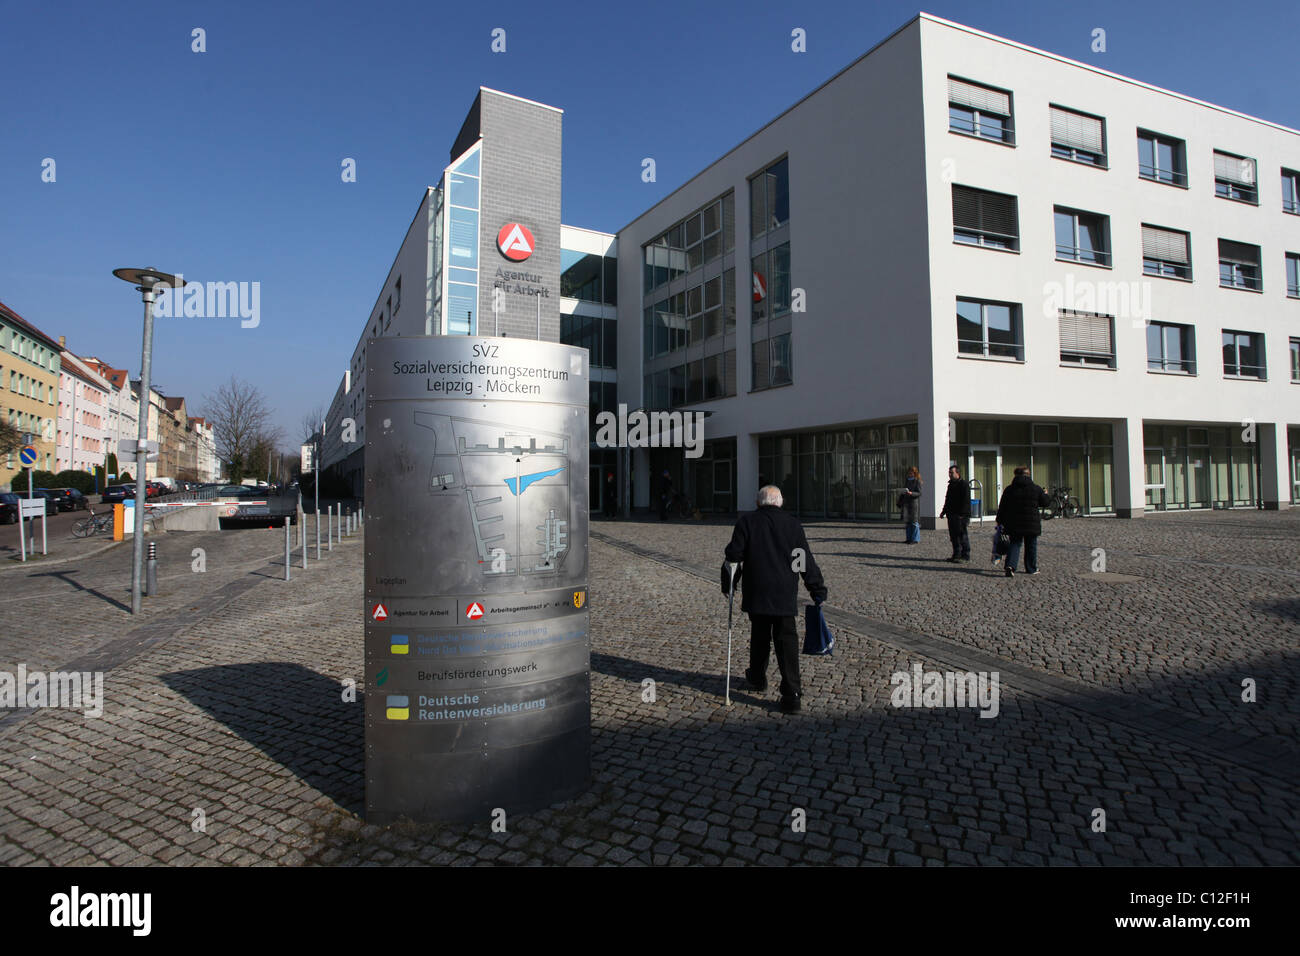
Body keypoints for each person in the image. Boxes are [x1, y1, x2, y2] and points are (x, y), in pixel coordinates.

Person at [724, 485, 828, 714]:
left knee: (759, 636)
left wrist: (729, 584)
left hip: (758, 591)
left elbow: (733, 556)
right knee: (786, 642)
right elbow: (802, 560)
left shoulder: (747, 522)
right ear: (780, 502)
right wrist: (816, 588)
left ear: (758, 503)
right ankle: (792, 694)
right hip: (784, 592)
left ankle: (757, 677)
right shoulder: (792, 524)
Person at [994, 465, 1051, 577]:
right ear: (1028, 475)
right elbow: (1045, 503)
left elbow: (1003, 507)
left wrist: (999, 521)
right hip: (1031, 523)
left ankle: (1010, 566)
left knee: (1015, 544)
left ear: (1015, 475)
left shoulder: (1009, 489)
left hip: (1014, 523)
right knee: (1031, 545)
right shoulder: (1036, 488)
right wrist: (1045, 494)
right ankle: (1031, 568)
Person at [939, 464, 971, 562]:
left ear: (957, 473)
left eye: (952, 473)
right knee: (953, 536)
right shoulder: (951, 484)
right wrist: (943, 511)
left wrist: (963, 514)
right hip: (951, 514)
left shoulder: (964, 484)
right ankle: (956, 554)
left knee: (962, 535)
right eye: (949, 473)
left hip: (961, 515)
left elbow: (966, 500)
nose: (950, 475)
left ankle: (965, 555)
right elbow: (947, 499)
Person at [901, 466, 923, 543]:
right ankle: (909, 538)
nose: (910, 474)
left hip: (913, 504)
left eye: (911, 472)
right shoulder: (907, 481)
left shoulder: (917, 481)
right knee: (907, 522)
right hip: (906, 503)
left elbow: (919, 493)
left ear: (915, 473)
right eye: (909, 472)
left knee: (914, 522)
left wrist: (911, 493)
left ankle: (915, 539)